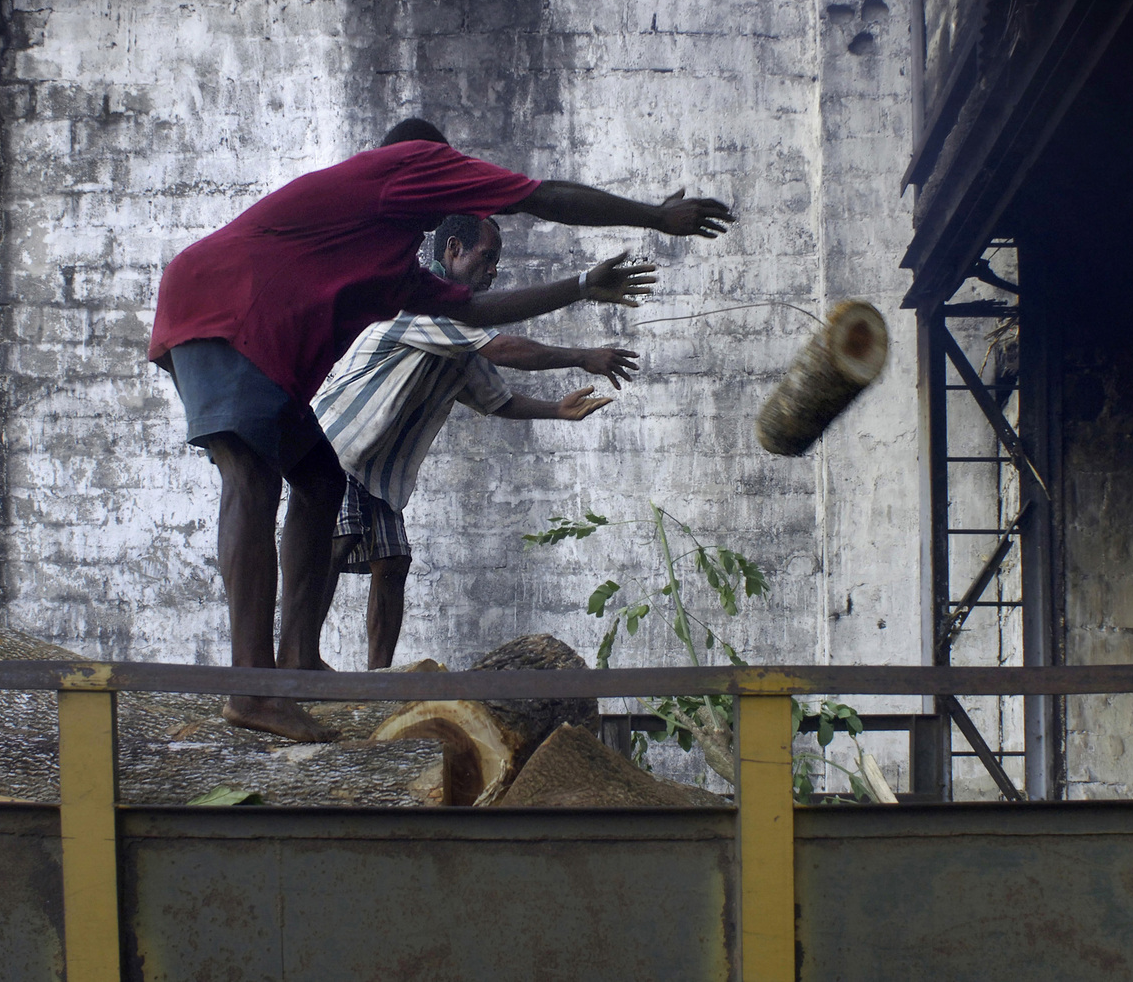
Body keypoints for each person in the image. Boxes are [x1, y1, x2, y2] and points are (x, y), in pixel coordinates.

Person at [147, 118, 733, 740]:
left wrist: (584, 286)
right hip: (220, 308)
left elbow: (475, 314)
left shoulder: (393, 262)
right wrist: (653, 216)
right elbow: (539, 196)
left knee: (318, 484)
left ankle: (293, 663)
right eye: (483, 252)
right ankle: (251, 687)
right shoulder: (407, 165)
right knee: (252, 475)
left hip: (260, 348)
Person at [313, 214, 638, 669]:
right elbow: (501, 349)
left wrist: (555, 409)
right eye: (487, 258)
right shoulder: (424, 301)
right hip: (338, 446)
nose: (493, 271)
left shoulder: (458, 333)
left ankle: (378, 679)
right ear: (452, 250)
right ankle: (299, 655)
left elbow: (495, 398)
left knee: (392, 563)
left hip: (376, 467)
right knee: (336, 541)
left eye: (496, 262)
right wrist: (583, 356)